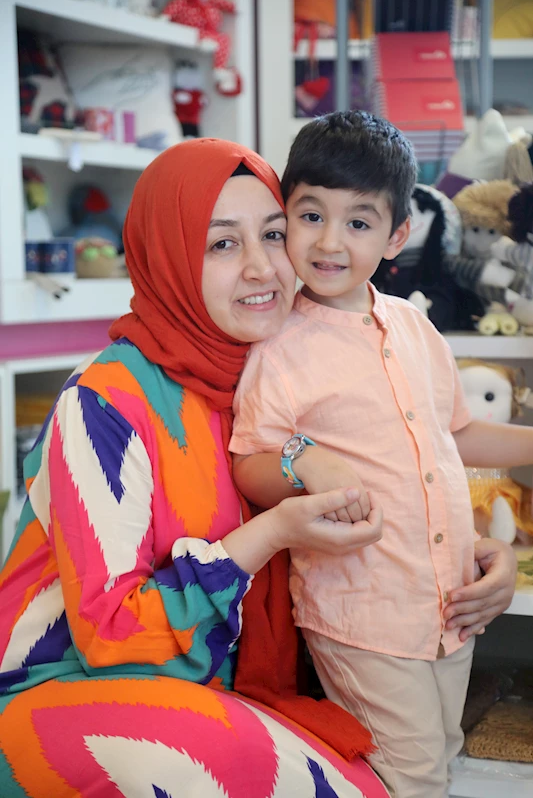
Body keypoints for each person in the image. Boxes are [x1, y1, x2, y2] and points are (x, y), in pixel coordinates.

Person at [0, 139, 390, 797]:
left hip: (219, 685)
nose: (262, 268)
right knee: (226, 757)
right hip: (65, 688)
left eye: (273, 235)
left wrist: (466, 563)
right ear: (169, 258)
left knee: (374, 770)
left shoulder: (277, 375)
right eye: (222, 244)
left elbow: (396, 473)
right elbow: (109, 636)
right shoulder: (104, 401)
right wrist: (271, 533)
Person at [229, 111, 520, 798]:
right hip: (361, 613)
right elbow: (250, 463)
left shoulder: (414, 326)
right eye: (310, 216)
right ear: (284, 216)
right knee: (409, 778)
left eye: (357, 222)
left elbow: (456, 434)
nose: (330, 241)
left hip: (448, 605)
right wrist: (302, 457)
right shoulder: (278, 345)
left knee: (441, 755)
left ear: (395, 236)